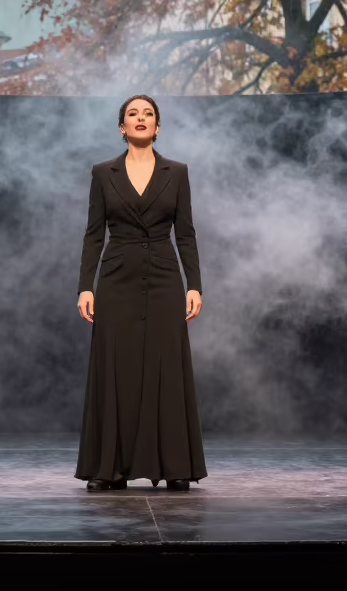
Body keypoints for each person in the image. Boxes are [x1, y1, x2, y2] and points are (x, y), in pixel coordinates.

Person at [74, 94, 207, 491]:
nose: (141, 118)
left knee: (166, 367)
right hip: (116, 279)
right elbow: (93, 235)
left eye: (148, 113)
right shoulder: (103, 173)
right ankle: (109, 468)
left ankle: (175, 466)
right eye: (133, 113)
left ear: (157, 126)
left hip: (164, 279)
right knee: (117, 369)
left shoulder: (177, 172)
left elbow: (186, 234)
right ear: (122, 127)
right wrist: (85, 287)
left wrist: (194, 284)